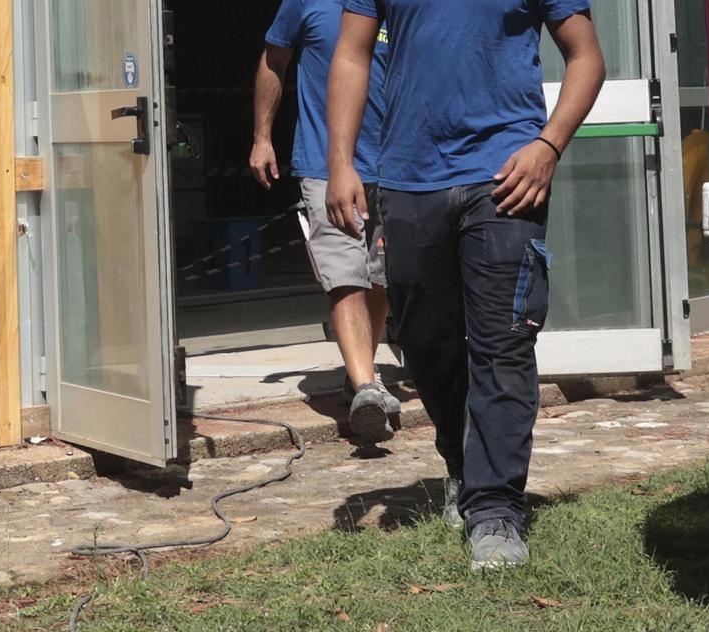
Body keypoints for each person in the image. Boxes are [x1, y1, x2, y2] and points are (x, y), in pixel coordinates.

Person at [325, 0, 605, 569]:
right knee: (428, 343)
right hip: (408, 179)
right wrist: (340, 163)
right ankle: (461, 463)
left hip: (504, 177)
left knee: (504, 342)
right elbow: (352, 55)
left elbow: (586, 57)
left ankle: (497, 507)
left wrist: (548, 146)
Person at [249, 0, 397, 443]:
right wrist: (262, 137)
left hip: (396, 164)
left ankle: (360, 377)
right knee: (344, 274)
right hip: (326, 164)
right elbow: (273, 61)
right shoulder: (307, 3)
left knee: (382, 278)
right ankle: (368, 388)